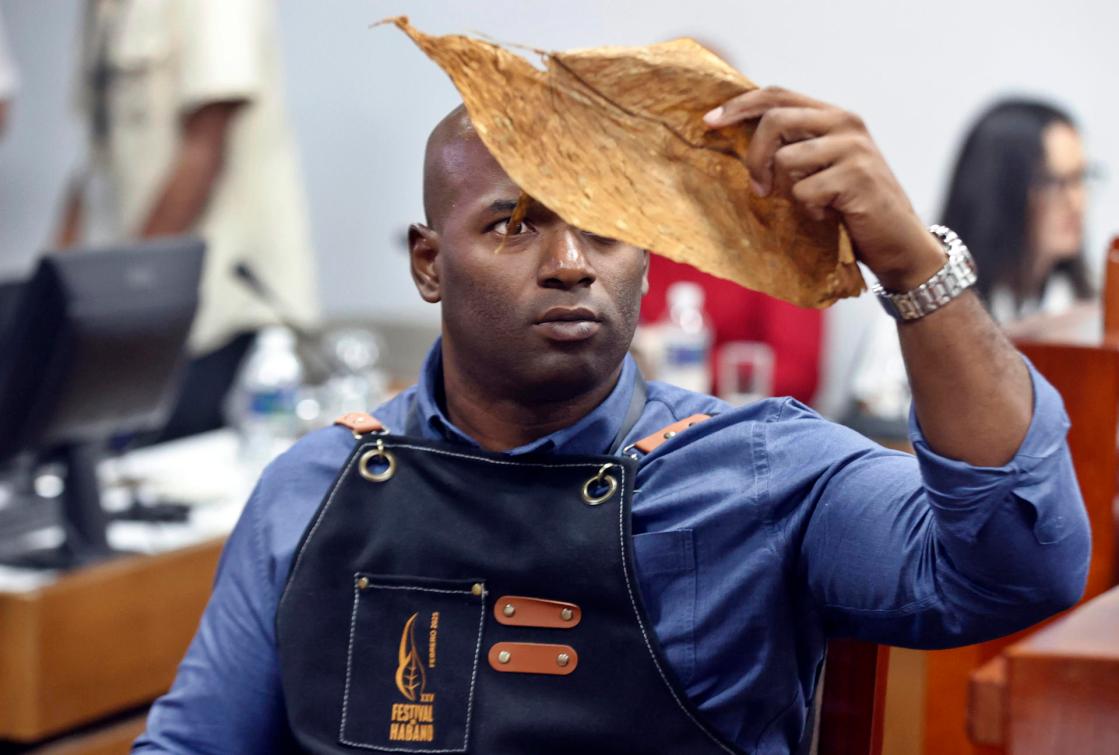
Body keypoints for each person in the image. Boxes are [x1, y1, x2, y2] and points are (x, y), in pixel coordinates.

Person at [134, 88, 1089, 754]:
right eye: (513, 223)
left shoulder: (761, 473)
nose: (570, 262)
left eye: (604, 228)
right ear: (428, 263)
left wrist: (913, 266)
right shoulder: (314, 485)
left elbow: (1019, 566)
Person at [55, 0, 318, 440]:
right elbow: (97, 158)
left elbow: (204, 149)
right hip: (142, 299)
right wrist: (50, 292)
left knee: (172, 466)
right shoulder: (101, 11)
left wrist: (125, 292)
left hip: (215, 305)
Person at [848, 99, 1093, 422]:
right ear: (1004, 190)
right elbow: (879, 420)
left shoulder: (1082, 310)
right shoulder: (918, 299)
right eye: (1055, 182)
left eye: (1081, 179)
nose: (1078, 201)